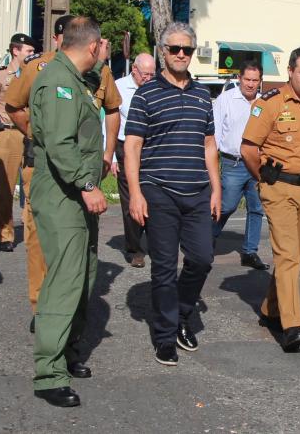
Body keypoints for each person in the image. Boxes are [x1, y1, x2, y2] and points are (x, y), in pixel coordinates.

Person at [4, 16, 121, 334]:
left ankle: (66, 322)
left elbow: (112, 108)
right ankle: (42, 309)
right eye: (59, 37)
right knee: (41, 243)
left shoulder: (98, 71)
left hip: (84, 171)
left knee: (81, 249)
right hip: (45, 168)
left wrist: (108, 153)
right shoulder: (39, 68)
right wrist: (38, 133)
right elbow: (13, 105)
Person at [125, 22, 222, 366]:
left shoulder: (202, 95)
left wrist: (216, 189)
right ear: (163, 51)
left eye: (187, 49)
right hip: (159, 190)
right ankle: (165, 336)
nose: (182, 54)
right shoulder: (146, 94)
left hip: (197, 192)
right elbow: (132, 146)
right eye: (175, 48)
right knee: (164, 267)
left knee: (202, 259)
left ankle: (180, 314)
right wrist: (135, 193)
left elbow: (209, 145)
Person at [28, 16, 108, 408]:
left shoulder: (77, 80)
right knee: (65, 280)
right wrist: (87, 185)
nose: (104, 52)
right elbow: (60, 144)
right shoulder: (59, 81)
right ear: (92, 47)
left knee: (83, 277)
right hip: (64, 194)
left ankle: (67, 351)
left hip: (75, 194)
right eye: (102, 46)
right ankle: (49, 373)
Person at [241, 46, 300, 352]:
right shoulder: (270, 103)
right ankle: (292, 325)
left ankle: (271, 309)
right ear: (290, 72)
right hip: (279, 188)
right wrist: (263, 178)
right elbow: (248, 148)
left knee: (293, 256)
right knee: (288, 256)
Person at [212, 61, 268, 270]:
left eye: (255, 80)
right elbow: (215, 134)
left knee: (256, 208)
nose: (251, 84)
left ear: (260, 81)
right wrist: (211, 162)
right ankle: (207, 238)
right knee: (226, 205)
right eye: (247, 79)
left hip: (257, 164)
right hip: (232, 163)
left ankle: (250, 252)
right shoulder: (225, 100)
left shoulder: (264, 103)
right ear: (239, 79)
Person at [0, 33, 36, 252]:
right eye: (28, 50)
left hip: (29, 133)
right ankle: (4, 234)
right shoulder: (1, 76)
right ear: (15, 51)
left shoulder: (34, 73)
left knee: (32, 186)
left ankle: (30, 232)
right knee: (5, 188)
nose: (32, 54)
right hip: (7, 133)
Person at [111, 52, 156, 268]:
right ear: (134, 70)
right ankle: (135, 248)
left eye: (152, 74)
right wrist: (111, 155)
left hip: (150, 147)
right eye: (145, 74)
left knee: (153, 196)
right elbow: (109, 123)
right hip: (125, 147)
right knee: (130, 200)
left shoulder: (156, 87)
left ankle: (155, 243)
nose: (148, 78)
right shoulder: (119, 87)